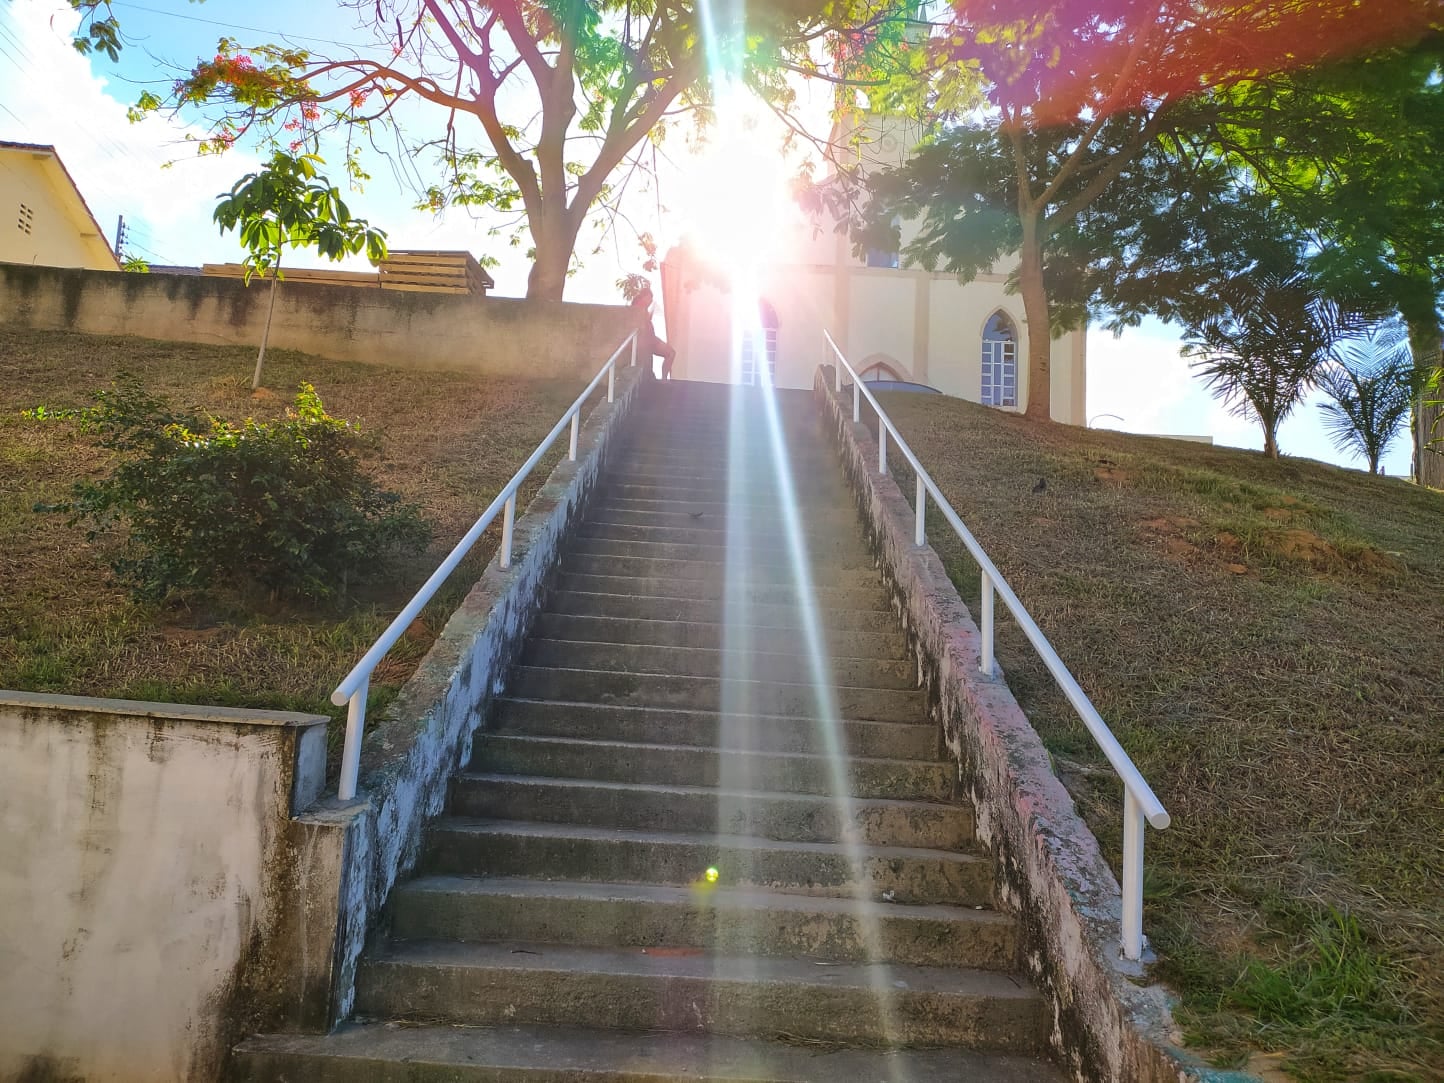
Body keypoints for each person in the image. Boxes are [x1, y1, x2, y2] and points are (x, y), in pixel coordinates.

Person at [630, 286, 676, 379]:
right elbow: (640, 323)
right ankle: (663, 378)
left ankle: (663, 378)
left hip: (650, 339)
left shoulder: (641, 307)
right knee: (671, 353)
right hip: (649, 340)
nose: (651, 301)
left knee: (670, 353)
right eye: (650, 298)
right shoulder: (639, 306)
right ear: (645, 297)